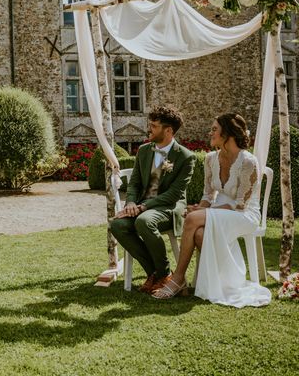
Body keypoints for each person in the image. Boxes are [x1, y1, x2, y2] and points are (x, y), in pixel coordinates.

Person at [153, 114, 271, 306]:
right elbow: (208, 196)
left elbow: (240, 204)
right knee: (199, 233)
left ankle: (178, 279)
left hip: (244, 215)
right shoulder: (210, 159)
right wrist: (200, 208)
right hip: (221, 211)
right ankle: (220, 281)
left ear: (228, 133)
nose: (211, 132)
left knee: (192, 220)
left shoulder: (248, 162)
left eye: (215, 129)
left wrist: (201, 213)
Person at [110, 106, 196, 293]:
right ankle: (157, 274)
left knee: (144, 221)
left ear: (168, 131)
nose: (149, 129)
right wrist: (131, 203)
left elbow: (174, 194)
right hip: (141, 205)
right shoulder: (143, 151)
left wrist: (142, 208)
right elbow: (134, 184)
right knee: (117, 225)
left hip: (168, 208)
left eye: (154, 126)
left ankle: (162, 273)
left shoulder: (186, 157)